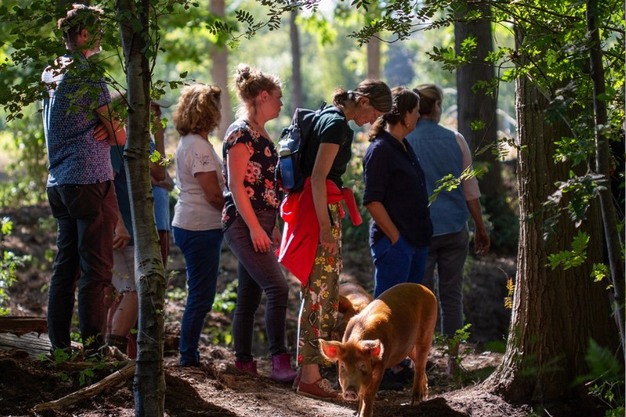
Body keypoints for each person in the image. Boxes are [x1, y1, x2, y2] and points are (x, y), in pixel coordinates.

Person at [279, 79, 392, 399]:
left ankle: (307, 371)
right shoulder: (337, 125)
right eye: (375, 113)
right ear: (364, 101)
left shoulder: (327, 115)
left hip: (315, 212)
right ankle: (310, 377)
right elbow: (318, 178)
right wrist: (326, 228)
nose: (372, 121)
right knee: (320, 297)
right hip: (319, 215)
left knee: (320, 294)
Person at [41, 4, 126, 355]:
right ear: (84, 33)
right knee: (97, 270)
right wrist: (113, 127)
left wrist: (107, 127)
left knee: (67, 267)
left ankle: (60, 346)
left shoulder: (52, 70)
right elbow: (119, 135)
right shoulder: (87, 74)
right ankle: (93, 350)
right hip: (89, 180)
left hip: (60, 181)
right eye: (98, 30)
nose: (102, 36)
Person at [406, 83, 490, 374]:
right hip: (454, 228)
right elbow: (470, 188)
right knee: (451, 296)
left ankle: (419, 362)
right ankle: (454, 361)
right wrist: (480, 227)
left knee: (421, 298)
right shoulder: (456, 139)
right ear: (436, 107)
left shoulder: (406, 140)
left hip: (421, 233)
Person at [222, 64, 297, 383]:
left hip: (261, 222)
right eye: (278, 97)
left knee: (249, 296)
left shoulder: (262, 133)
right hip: (243, 223)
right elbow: (236, 185)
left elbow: (266, 187)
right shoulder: (240, 133)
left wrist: (272, 226)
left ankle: (243, 362)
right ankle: (280, 361)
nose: (281, 103)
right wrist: (254, 228)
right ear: (263, 96)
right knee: (278, 287)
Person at [171, 83, 225, 367]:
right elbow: (213, 194)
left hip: (195, 224)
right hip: (199, 227)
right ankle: (188, 356)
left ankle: (188, 352)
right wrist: (237, 210)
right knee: (201, 296)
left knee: (199, 292)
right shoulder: (197, 146)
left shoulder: (193, 143)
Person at [363, 86, 432, 298]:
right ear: (404, 115)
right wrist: (396, 239)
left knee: (409, 308)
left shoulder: (404, 146)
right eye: (416, 111)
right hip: (395, 245)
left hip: (415, 240)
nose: (419, 115)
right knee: (390, 308)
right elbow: (372, 201)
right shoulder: (380, 150)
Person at [150, 99, 175, 268]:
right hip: (151, 223)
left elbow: (169, 182)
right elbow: (160, 174)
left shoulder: (149, 143)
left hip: (162, 222)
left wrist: (157, 180)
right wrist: (160, 136)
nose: (159, 113)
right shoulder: (133, 143)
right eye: (154, 109)